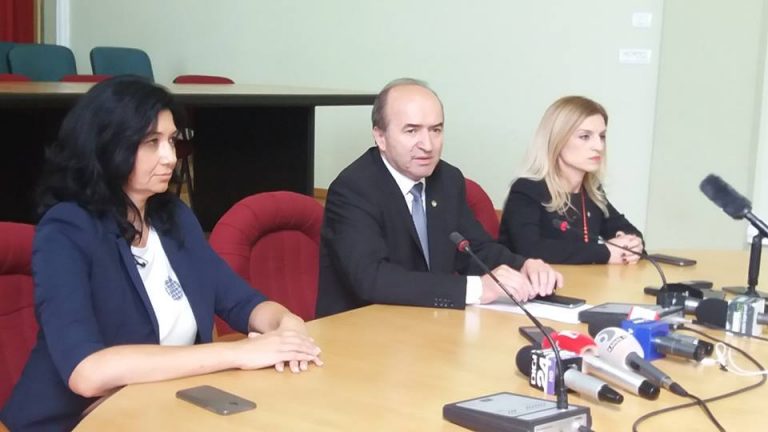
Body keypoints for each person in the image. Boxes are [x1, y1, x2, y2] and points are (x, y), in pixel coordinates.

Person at [0, 76, 322, 431]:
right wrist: (237, 353)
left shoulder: (173, 217)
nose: (170, 157)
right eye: (152, 142)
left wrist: (285, 324)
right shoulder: (67, 229)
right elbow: (87, 372)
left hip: (163, 411)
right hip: (76, 423)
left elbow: (241, 302)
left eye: (171, 140)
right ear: (107, 145)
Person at [316, 78, 562, 318]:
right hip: (364, 328)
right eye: (412, 131)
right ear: (381, 137)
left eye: (436, 130)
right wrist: (477, 289)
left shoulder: (447, 179)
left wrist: (523, 266)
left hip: (427, 323)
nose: (428, 145)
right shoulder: (354, 188)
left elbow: (476, 249)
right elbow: (372, 279)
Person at [498, 96, 643, 264]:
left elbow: (627, 230)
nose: (599, 146)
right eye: (585, 136)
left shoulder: (591, 191)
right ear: (557, 139)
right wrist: (605, 252)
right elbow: (531, 249)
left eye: (602, 136)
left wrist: (632, 244)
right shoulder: (527, 189)